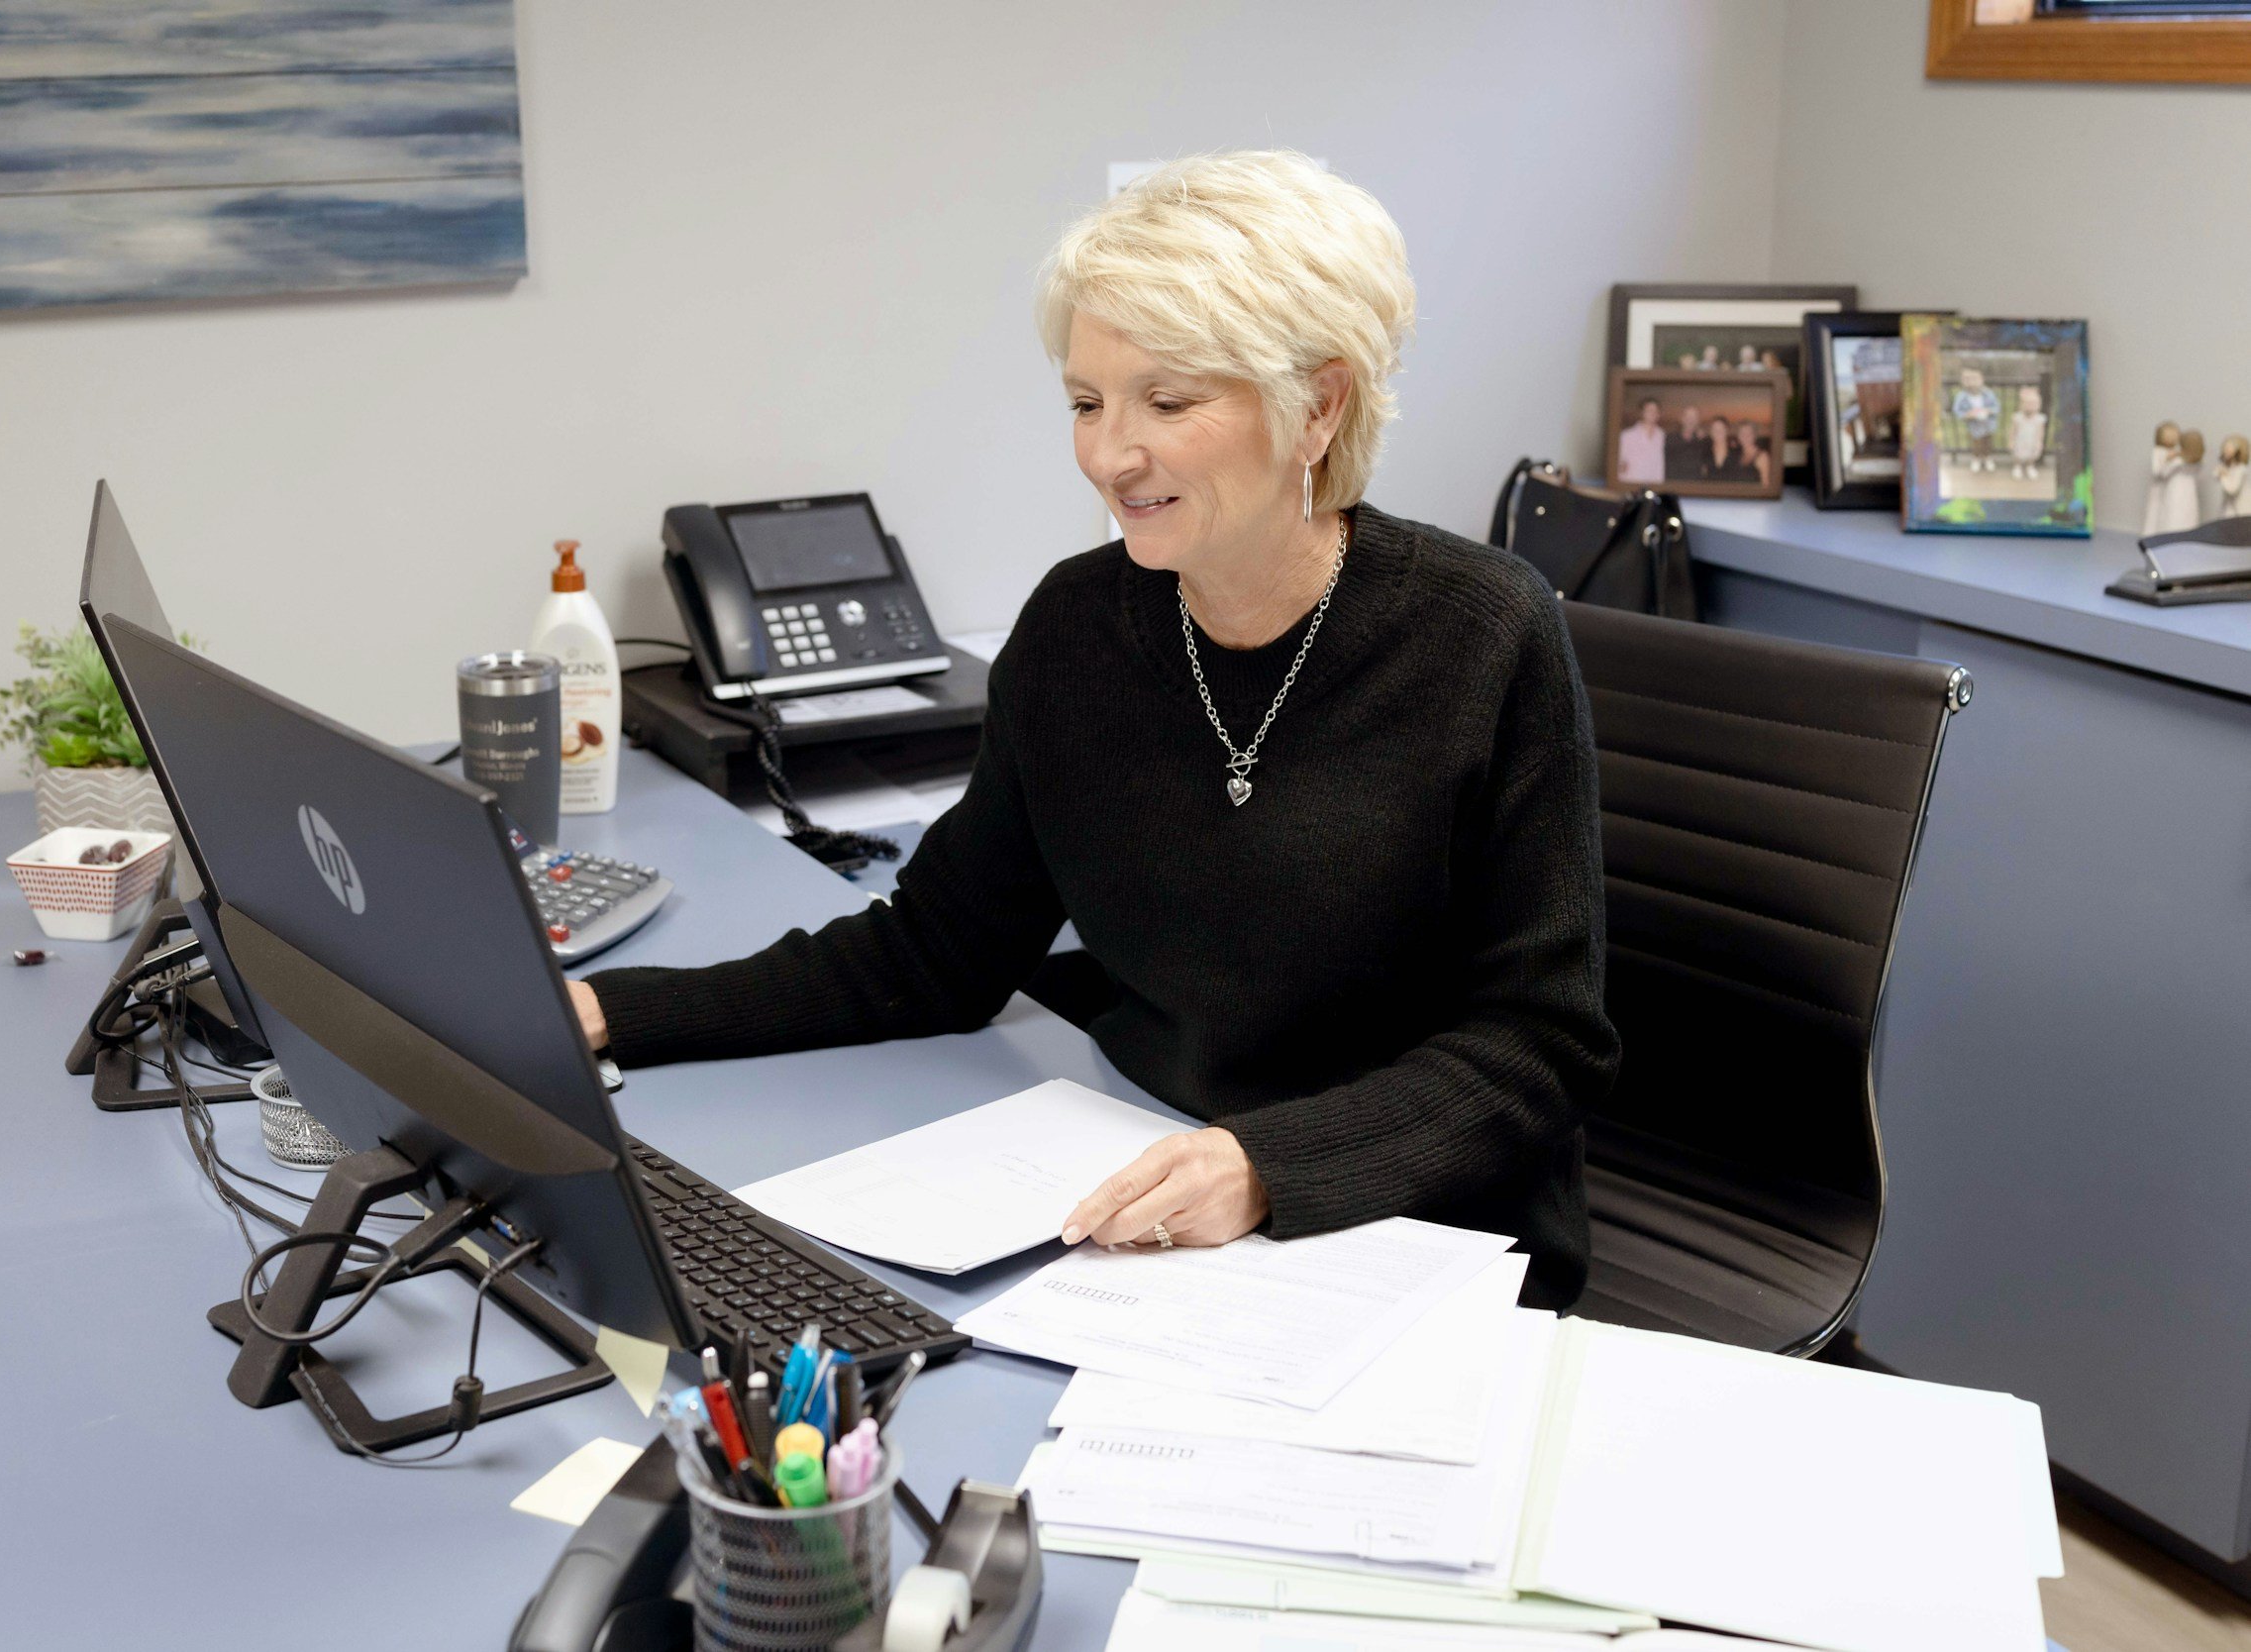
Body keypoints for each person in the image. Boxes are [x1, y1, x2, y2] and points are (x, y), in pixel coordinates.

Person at [567, 151, 1617, 1306]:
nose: (1110, 455)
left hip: (1412, 1231)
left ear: (1318, 404)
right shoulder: (1078, 625)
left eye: (1167, 402)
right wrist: (614, 1011)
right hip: (1136, 1182)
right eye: (1085, 402)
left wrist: (1271, 1165)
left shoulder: (1481, 632)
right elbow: (938, 953)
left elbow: (1540, 1043)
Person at [1617, 397, 1667, 483]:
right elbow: (1620, 463)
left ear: (1659, 414)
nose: (1652, 414)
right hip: (1631, 484)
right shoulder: (1627, 435)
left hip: (1656, 485)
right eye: (1649, 410)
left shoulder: (1663, 436)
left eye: (1655, 411)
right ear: (1642, 412)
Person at [2006, 385, 2048, 481]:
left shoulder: (2040, 418)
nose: (2030, 406)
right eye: (2028, 404)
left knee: (2032, 455)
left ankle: (2030, 466)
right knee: (2017, 454)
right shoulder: (2017, 417)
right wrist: (2011, 441)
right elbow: (2013, 430)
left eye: (2033, 404)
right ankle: (2017, 466)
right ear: (2022, 404)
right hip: (2020, 440)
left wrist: (2040, 442)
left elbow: (2041, 431)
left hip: (2032, 440)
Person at [1665, 403, 1708, 481]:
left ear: (1698, 420)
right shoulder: (1669, 439)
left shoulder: (1704, 441)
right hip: (1673, 487)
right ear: (1682, 418)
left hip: (1696, 488)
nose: (1691, 420)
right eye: (1688, 417)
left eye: (1694, 417)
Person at [1733, 419, 1776, 488]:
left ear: (1755, 436)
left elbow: (1766, 484)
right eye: (1742, 433)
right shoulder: (1738, 454)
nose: (1745, 436)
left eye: (1749, 433)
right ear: (1738, 436)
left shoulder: (1762, 456)